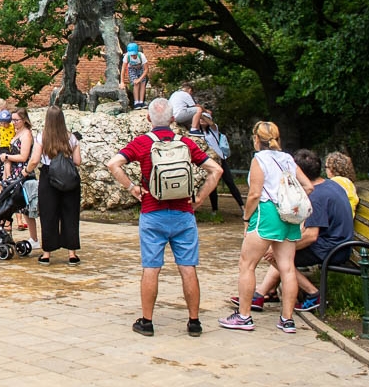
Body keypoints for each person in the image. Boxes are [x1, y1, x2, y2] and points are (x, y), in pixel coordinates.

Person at [106, 97, 223, 337]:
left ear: (149, 118)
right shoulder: (186, 143)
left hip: (152, 213)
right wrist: (200, 197)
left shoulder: (142, 143)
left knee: (151, 268)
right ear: (172, 119)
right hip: (183, 214)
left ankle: (147, 322)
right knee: (188, 267)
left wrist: (131, 188)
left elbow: (113, 164)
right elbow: (216, 170)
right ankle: (194, 322)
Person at [219, 121, 314, 334]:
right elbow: (308, 186)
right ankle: (287, 320)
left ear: (256, 139)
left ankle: (244, 316)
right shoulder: (288, 159)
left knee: (247, 264)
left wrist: (246, 218)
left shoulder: (259, 160)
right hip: (289, 215)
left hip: (267, 213)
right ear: (277, 138)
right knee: (287, 267)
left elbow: (254, 194)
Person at [253, 149, 354, 312]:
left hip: (332, 249)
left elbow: (311, 236)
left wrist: (281, 247)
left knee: (279, 255)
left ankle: (313, 294)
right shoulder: (329, 185)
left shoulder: (317, 196)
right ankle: (262, 294)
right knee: (280, 247)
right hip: (339, 242)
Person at [27, 106, 82, 264]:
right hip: (69, 178)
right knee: (70, 214)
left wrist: (26, 171)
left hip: (48, 176)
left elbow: (35, 160)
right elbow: (77, 161)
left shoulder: (41, 137)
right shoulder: (72, 138)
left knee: (48, 214)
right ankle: (72, 254)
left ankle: (47, 254)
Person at [2, 108, 39, 245]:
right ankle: (6, 232)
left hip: (23, 172)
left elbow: (24, 156)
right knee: (13, 205)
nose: (14, 122)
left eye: (16, 120)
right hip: (15, 172)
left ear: (24, 120)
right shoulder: (17, 133)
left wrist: (7, 156)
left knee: (26, 208)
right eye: (13, 120)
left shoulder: (27, 135)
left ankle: (34, 238)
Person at [202, 119, 245, 213]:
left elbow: (212, 124)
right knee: (212, 185)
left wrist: (201, 112)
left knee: (230, 182)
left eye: (204, 118)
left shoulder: (213, 131)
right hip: (209, 161)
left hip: (220, 159)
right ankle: (215, 209)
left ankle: (242, 206)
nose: (202, 120)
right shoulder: (198, 132)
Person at [325, 152, 359, 216]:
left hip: (340, 220)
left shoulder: (337, 181)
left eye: (326, 167)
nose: (325, 170)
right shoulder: (346, 182)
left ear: (333, 168)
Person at [121, 43, 151, 109]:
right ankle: (136, 102)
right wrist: (122, 82)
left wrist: (139, 79)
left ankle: (141, 101)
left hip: (141, 69)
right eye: (131, 54)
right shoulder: (127, 57)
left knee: (142, 84)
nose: (133, 56)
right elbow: (123, 69)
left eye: (134, 54)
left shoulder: (141, 56)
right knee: (136, 83)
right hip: (132, 69)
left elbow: (146, 70)